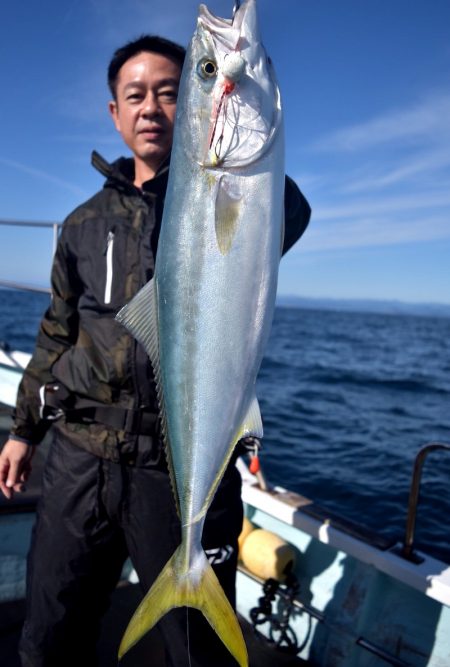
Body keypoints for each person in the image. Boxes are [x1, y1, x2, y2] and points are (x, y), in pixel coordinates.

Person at [0, 35, 311, 667]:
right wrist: (23, 431)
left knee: (196, 653)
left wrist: (239, 112)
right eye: (134, 95)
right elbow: (57, 329)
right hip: (80, 456)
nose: (151, 108)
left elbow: (287, 209)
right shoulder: (82, 223)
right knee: (49, 634)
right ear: (114, 113)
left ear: (191, 110)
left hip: (174, 461)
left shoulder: (223, 192)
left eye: (171, 93)